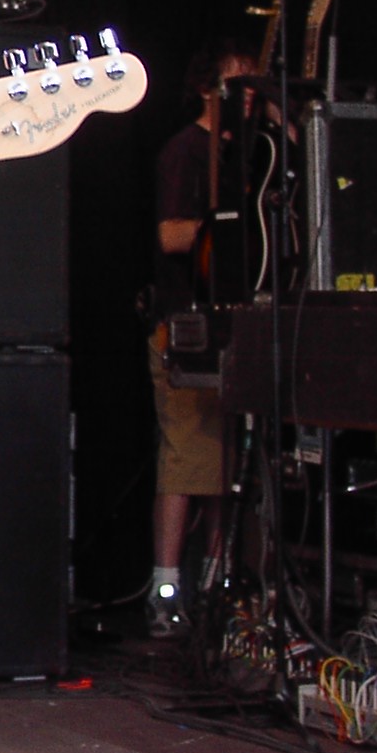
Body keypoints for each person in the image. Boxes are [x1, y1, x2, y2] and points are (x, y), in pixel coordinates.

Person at [146, 41, 255, 639]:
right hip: (183, 326)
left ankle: (217, 589)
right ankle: (164, 593)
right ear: (207, 89)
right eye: (237, 84)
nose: (248, 96)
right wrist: (233, 227)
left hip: (237, 329)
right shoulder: (185, 150)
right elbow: (170, 235)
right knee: (187, 461)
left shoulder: (253, 154)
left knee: (229, 468)